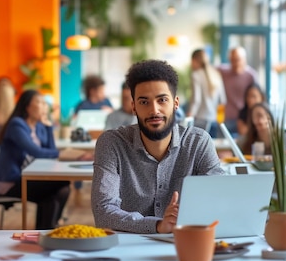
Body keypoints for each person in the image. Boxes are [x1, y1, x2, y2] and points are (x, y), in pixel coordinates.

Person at [91, 60, 224, 234]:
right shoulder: (112, 143)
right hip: (128, 246)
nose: (154, 110)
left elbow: (220, 200)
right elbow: (103, 212)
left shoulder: (198, 142)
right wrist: (158, 225)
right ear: (134, 107)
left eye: (162, 100)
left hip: (185, 241)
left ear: (176, 103)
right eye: (144, 102)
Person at [0, 90, 70, 229]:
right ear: (27, 107)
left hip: (26, 178)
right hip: (9, 182)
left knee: (59, 190)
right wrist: (62, 154)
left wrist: (49, 128)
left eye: (45, 103)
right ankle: (48, 229)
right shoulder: (17, 125)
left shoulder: (39, 126)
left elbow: (50, 151)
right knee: (59, 185)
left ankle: (47, 229)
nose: (44, 107)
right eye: (39, 103)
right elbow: (36, 152)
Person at [217, 47, 259, 135]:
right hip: (227, 118)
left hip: (244, 119)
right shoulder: (223, 71)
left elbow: (256, 96)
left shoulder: (251, 75)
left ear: (244, 59)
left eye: (238, 59)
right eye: (232, 60)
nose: (235, 63)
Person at [186, 49, 226, 137]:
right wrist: (220, 119)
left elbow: (196, 99)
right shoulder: (216, 74)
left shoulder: (196, 75)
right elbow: (222, 100)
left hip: (201, 121)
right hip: (214, 120)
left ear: (195, 60)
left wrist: (189, 116)